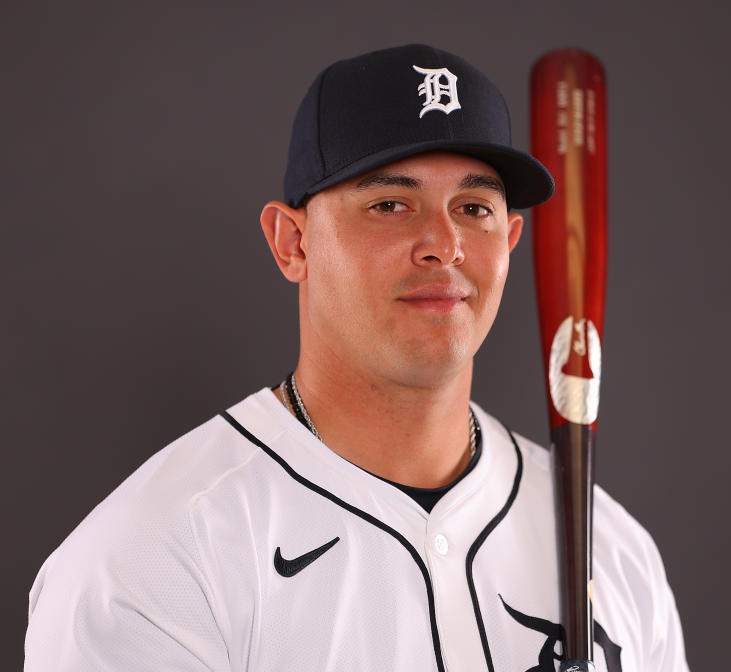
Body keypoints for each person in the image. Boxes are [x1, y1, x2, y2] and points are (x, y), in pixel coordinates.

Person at [25, 44, 688, 672]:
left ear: (511, 241)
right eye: (391, 204)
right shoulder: (155, 557)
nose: (444, 244)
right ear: (293, 243)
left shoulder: (613, 550)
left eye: (475, 207)